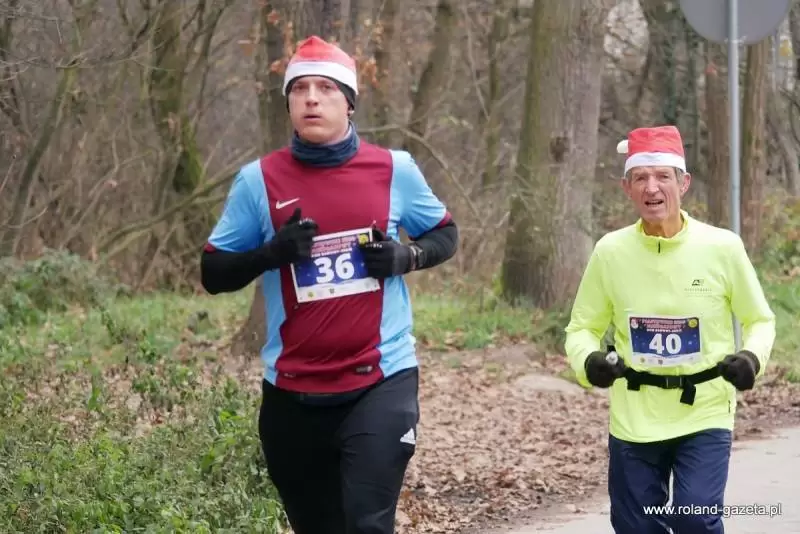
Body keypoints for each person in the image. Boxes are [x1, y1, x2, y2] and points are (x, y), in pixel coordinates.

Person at [199, 35, 458, 534]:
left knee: (367, 523)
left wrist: (407, 256)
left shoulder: (394, 170)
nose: (311, 99)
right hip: (291, 394)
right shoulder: (258, 180)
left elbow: (446, 234)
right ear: (288, 104)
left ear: (350, 102)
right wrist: (270, 254)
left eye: (326, 88)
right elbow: (213, 273)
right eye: (299, 89)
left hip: (380, 381)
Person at [564, 125, 776, 534]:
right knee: (635, 527)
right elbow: (582, 328)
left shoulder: (721, 247)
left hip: (704, 410)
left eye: (663, 176)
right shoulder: (611, 252)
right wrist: (589, 362)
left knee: (694, 519)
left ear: (684, 183)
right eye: (640, 178)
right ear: (627, 188)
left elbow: (759, 320)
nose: (652, 188)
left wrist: (752, 359)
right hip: (634, 415)